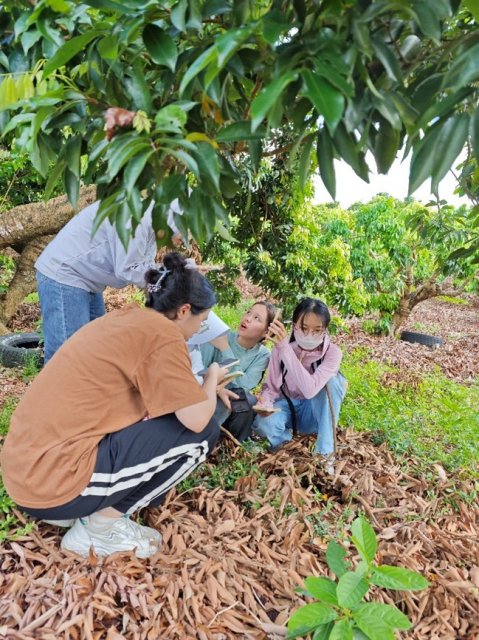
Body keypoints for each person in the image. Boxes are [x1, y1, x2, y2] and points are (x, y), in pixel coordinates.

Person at [0, 253, 227, 558]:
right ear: (184, 311)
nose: (197, 331)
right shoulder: (164, 336)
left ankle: (79, 508)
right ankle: (99, 530)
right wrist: (211, 379)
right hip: (51, 484)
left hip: (27, 473)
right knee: (203, 435)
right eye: (200, 323)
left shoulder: (126, 318)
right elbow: (197, 420)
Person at [35, 199, 229, 363]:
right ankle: (56, 405)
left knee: (94, 349)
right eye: (186, 232)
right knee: (66, 356)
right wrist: (180, 278)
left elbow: (145, 267)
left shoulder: (153, 221)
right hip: (65, 274)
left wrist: (185, 270)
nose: (185, 241)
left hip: (87, 280)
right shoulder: (137, 218)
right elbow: (128, 269)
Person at [253, 298, 347, 472]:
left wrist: (285, 350)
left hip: (315, 413)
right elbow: (272, 387)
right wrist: (265, 404)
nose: (309, 335)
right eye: (304, 329)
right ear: (294, 325)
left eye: (317, 330)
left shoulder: (332, 353)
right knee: (262, 424)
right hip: (288, 407)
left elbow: (310, 390)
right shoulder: (281, 348)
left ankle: (325, 455)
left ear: (325, 330)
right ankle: (286, 444)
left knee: (333, 382)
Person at [200, 302, 277, 442]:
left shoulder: (262, 355)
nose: (247, 318)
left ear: (266, 332)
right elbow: (200, 370)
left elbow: (245, 384)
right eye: (248, 312)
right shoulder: (219, 336)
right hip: (205, 393)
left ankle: (233, 440)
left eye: (256, 318)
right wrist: (216, 389)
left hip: (232, 402)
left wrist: (225, 349)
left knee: (248, 401)